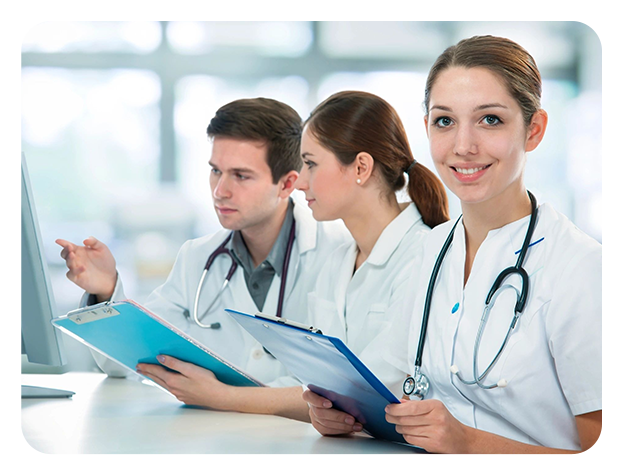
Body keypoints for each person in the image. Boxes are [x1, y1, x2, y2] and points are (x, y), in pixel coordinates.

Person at [305, 35, 604, 455]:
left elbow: (606, 462)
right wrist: (340, 411)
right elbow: (388, 380)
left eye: (490, 120)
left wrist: (469, 442)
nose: (463, 146)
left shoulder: (581, 268)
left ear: (533, 130)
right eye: (444, 121)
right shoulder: (433, 248)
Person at [56, 98, 351, 418]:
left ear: (287, 183)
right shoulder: (198, 257)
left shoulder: (339, 254)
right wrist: (106, 289)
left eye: (241, 175)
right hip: (215, 445)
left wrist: (223, 396)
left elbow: (344, 393)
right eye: (215, 171)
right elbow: (126, 364)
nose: (220, 190)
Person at [297, 90, 449, 433]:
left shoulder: (423, 257)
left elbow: (380, 386)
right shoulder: (336, 261)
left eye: (310, 164)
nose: (300, 182)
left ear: (361, 167)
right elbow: (326, 384)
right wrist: (321, 411)